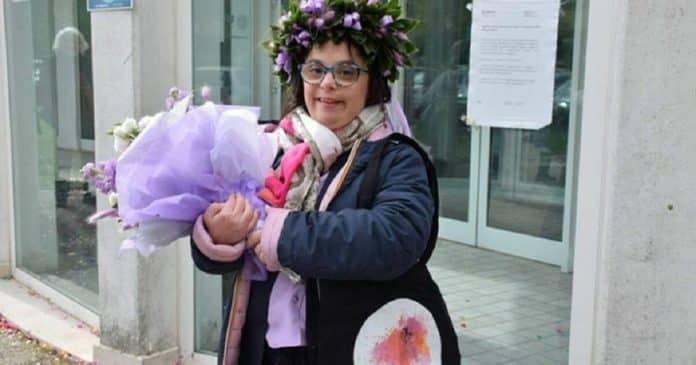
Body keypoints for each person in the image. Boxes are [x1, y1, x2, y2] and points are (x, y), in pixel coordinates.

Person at [190, 1, 460, 364]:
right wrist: (217, 233)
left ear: (372, 83)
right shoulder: (265, 145)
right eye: (316, 69)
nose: (328, 83)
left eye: (347, 72)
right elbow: (221, 258)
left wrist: (279, 235)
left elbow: (396, 236)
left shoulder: (396, 157)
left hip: (343, 348)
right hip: (262, 349)